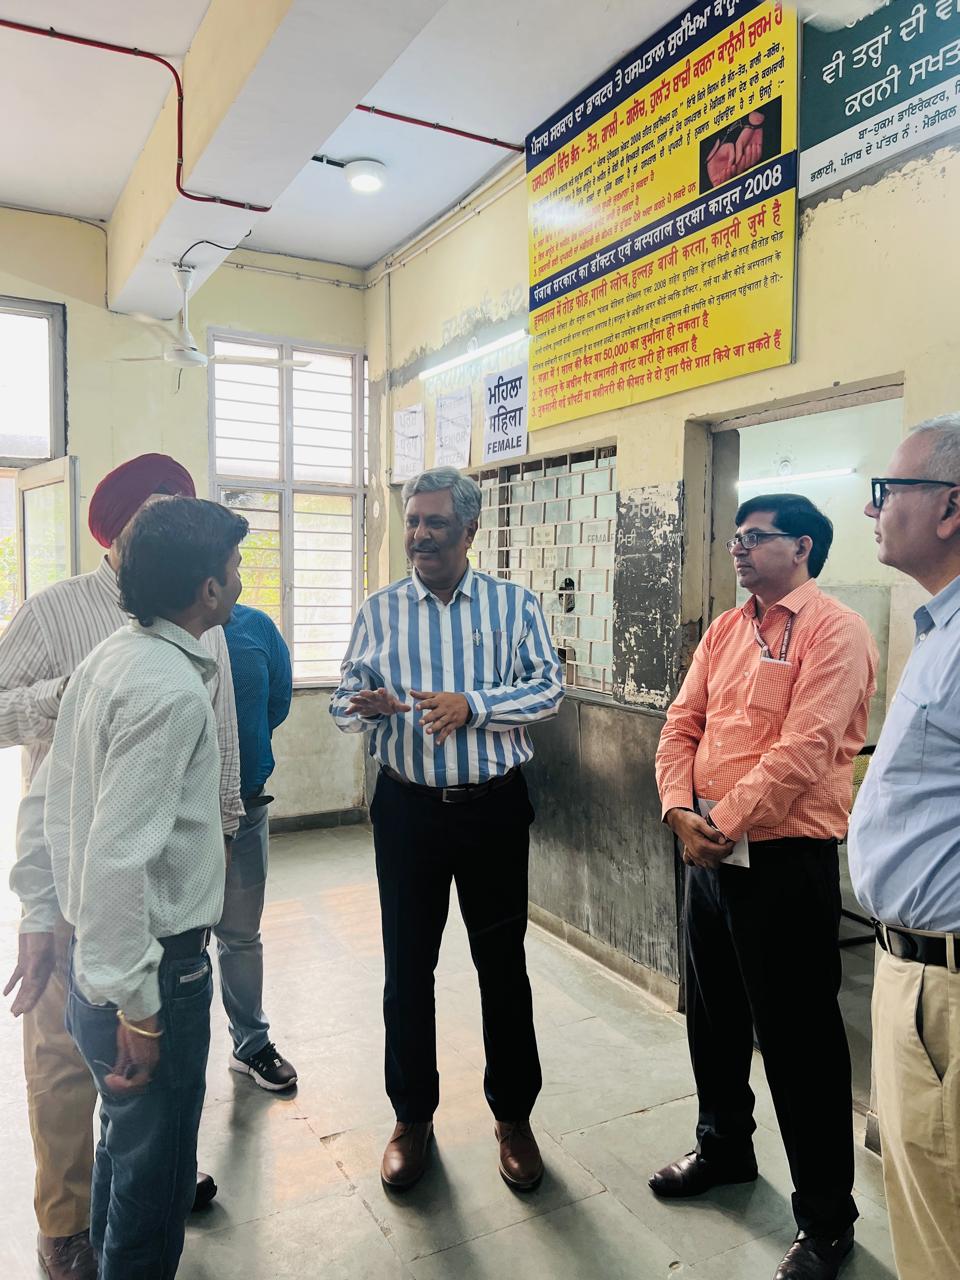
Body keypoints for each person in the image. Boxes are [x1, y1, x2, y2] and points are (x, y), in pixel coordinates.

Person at [2, 454, 238, 1280]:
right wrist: (139, 1005)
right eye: (234, 568)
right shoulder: (163, 685)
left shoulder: (118, 654)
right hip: (149, 962)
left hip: (109, 950)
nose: (240, 581)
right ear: (205, 588)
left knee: (125, 1142)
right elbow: (114, 860)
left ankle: (104, 1254)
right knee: (149, 1176)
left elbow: (48, 804)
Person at [652, 493, 878, 1280]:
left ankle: (826, 1220)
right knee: (712, 1018)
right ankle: (724, 1151)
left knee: (799, 1042)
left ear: (802, 547)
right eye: (735, 539)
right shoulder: (725, 629)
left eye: (755, 538)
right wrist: (678, 809)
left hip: (784, 863)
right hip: (709, 858)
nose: (739, 549)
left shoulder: (835, 630)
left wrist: (719, 824)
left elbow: (805, 748)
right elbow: (681, 723)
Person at [330, 466, 563, 1192]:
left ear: (469, 531)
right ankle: (412, 1117)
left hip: (493, 810)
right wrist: (361, 705)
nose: (420, 535)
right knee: (407, 970)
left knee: (502, 967)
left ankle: (513, 1116)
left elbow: (549, 689)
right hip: (408, 813)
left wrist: (474, 705)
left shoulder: (513, 605)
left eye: (435, 523)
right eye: (413, 521)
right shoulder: (380, 610)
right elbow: (341, 696)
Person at [848, 415, 960, 1280]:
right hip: (911, 970)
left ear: (951, 508)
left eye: (888, 490)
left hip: (945, 988)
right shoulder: (939, 631)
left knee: (945, 1225)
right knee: (924, 1203)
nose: (872, 508)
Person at [221, 602, 296, 1089]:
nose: (237, 575)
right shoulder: (162, 626)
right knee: (177, 947)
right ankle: (169, 1057)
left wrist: (246, 747)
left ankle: (250, 1044)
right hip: (182, 817)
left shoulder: (257, 627)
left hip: (247, 806)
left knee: (242, 935)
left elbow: (277, 703)